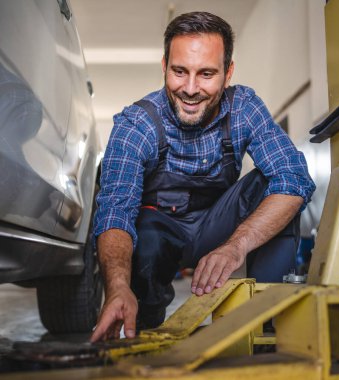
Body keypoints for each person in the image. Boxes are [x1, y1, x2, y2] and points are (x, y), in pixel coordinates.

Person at [90, 11, 315, 342]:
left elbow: (294, 177)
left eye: (207, 73)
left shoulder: (244, 108)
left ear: (228, 73)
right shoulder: (136, 125)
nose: (190, 89)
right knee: (145, 236)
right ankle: (143, 318)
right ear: (164, 65)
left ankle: (271, 321)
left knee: (274, 186)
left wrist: (236, 246)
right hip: (161, 235)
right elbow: (114, 212)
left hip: (217, 227)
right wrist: (118, 287)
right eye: (180, 71)